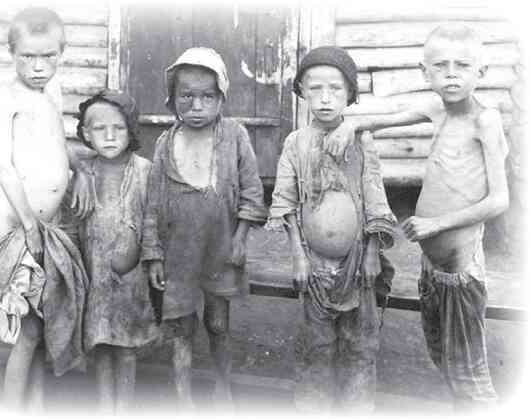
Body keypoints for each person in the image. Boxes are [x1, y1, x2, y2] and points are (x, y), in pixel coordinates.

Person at [339, 23, 509, 409]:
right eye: (441, 66)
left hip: (460, 273)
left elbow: (499, 200)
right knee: (443, 359)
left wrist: (436, 224)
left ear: (481, 72)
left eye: (462, 65)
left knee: (469, 376)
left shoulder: (485, 120)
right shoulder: (436, 109)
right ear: (425, 72)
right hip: (432, 270)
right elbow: (387, 118)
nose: (451, 74)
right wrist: (352, 123)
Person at [0, 6, 95, 411]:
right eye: (27, 57)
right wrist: (28, 225)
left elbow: (57, 141)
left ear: (62, 53)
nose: (38, 67)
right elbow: (4, 166)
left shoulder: (51, 91)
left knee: (41, 321)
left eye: (48, 56)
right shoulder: (6, 97)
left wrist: (80, 170)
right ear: (11, 53)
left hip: (50, 225)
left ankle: (35, 408)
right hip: (19, 228)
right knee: (27, 329)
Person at [267, 46, 397, 413]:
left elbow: (374, 197)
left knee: (360, 346)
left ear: (350, 93)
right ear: (301, 91)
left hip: (358, 266)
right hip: (315, 267)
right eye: (315, 88)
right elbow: (285, 200)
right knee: (316, 347)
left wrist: (372, 253)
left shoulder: (361, 140)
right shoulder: (296, 143)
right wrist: (298, 257)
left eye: (335, 89)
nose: (325, 98)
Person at [141, 47, 267, 408]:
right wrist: (154, 255)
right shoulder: (165, 143)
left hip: (220, 248)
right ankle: (183, 399)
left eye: (207, 97)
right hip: (177, 251)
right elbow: (153, 204)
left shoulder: (235, 136)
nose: (197, 106)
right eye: (187, 96)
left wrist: (240, 239)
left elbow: (252, 192)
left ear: (221, 97)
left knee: (218, 323)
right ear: (172, 98)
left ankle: (222, 386)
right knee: (180, 328)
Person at [70, 90, 160, 414]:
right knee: (101, 344)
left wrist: (152, 258)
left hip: (131, 280)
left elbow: (153, 219)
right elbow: (71, 224)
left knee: (126, 347)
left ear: (131, 129)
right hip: (94, 275)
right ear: (85, 133)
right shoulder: (83, 174)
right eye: (99, 129)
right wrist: (74, 268)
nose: (109, 136)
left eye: (119, 128)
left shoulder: (145, 170)